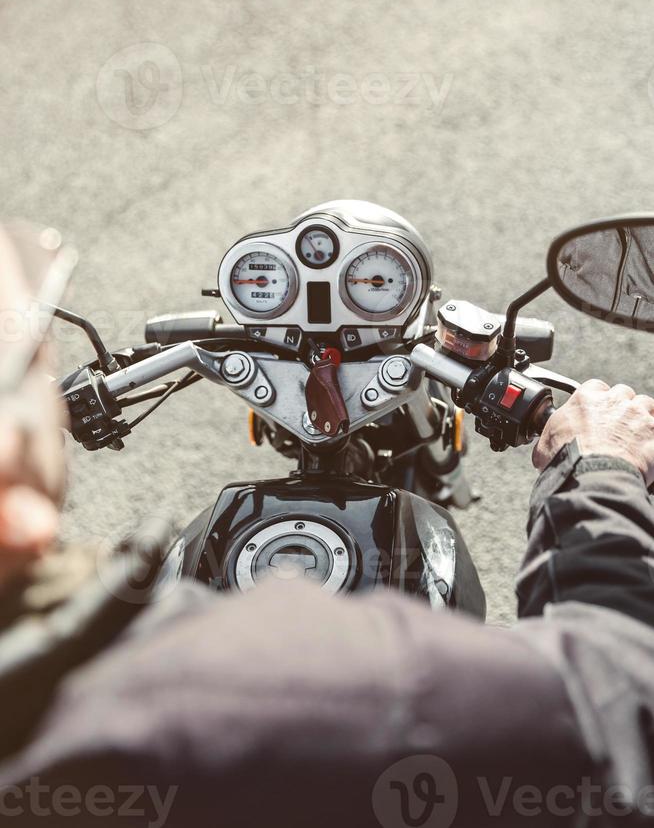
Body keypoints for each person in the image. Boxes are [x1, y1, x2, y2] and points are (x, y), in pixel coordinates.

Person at [2, 229, 654, 827]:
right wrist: (596, 468)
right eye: (35, 364)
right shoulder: (354, 687)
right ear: (16, 507)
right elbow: (611, 700)